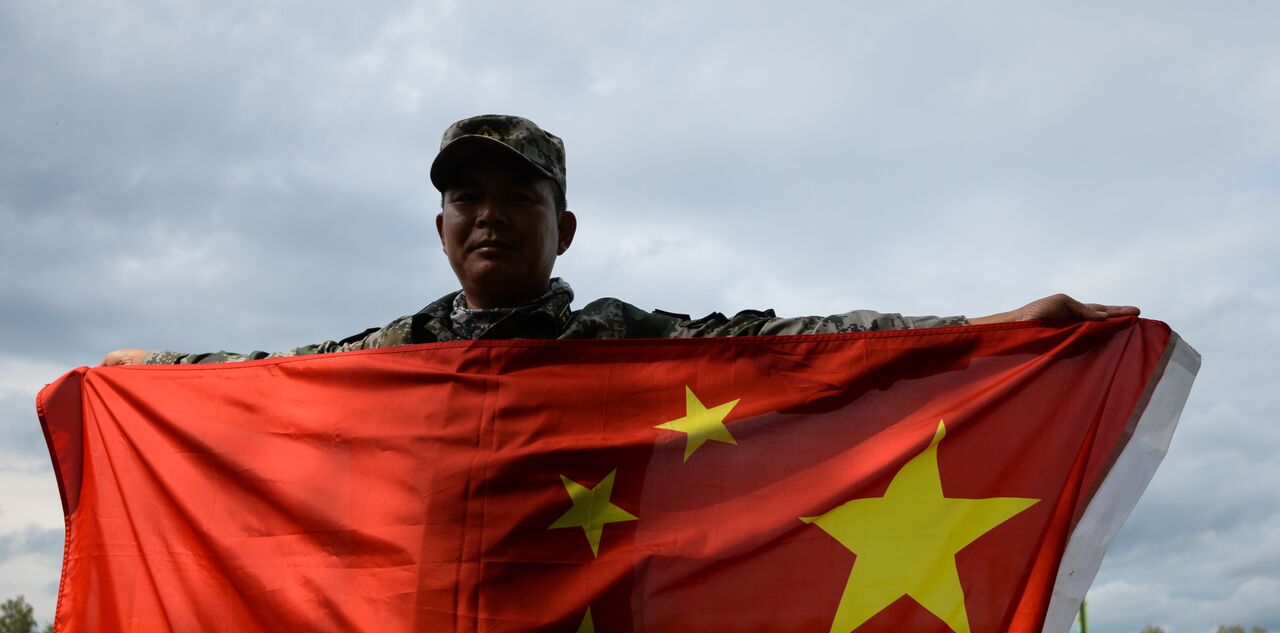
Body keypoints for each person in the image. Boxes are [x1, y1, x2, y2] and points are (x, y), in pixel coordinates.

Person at [101, 114, 1138, 366]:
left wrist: (992, 327)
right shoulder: (397, 353)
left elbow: (804, 344)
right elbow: (269, 383)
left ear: (567, 228)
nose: (489, 216)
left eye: (517, 196)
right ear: (439, 227)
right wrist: (148, 372)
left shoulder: (619, 341)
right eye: (466, 198)